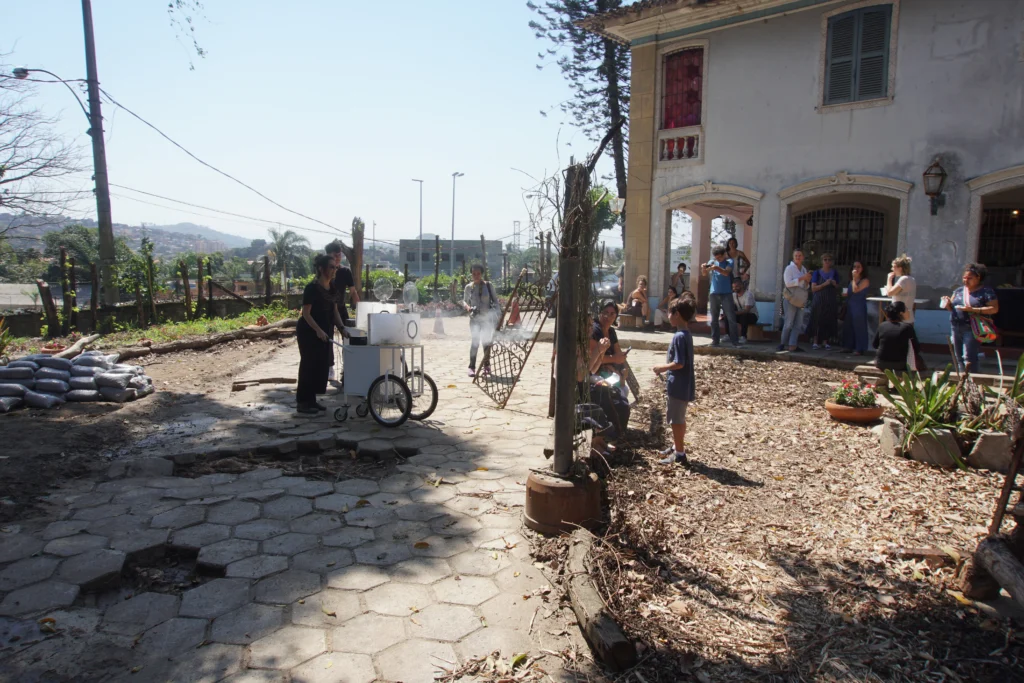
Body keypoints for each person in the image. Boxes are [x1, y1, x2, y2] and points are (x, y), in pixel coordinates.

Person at [296, 255, 348, 414]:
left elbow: (334, 311)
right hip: (309, 331)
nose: (334, 270)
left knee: (320, 364)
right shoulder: (311, 288)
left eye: (335, 267)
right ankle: (303, 403)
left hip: (325, 331)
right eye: (331, 267)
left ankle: (311, 401)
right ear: (321, 269)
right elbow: (306, 313)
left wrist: (341, 328)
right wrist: (317, 330)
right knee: (308, 365)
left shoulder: (332, 287)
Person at [654, 298, 696, 466]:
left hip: (678, 385)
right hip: (685, 384)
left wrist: (661, 367)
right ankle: (676, 445)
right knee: (680, 418)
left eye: (669, 313)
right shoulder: (686, 334)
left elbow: (679, 363)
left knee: (676, 420)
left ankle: (680, 453)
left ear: (677, 314)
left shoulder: (679, 337)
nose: (667, 316)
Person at [940, 262, 1000, 374]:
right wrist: (947, 303)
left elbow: (994, 309)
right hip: (956, 326)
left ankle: (972, 382)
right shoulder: (959, 291)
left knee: (969, 356)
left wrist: (972, 309)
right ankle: (962, 380)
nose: (965, 280)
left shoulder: (986, 292)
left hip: (972, 328)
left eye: (969, 278)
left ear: (978, 278)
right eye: (964, 278)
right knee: (958, 357)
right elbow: (952, 308)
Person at [588, 302, 632, 449]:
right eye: (605, 312)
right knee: (616, 397)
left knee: (621, 390)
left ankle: (616, 431)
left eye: (612, 314)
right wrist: (613, 360)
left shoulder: (611, 332)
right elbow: (593, 360)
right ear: (599, 313)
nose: (608, 316)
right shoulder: (595, 330)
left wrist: (619, 363)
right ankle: (614, 433)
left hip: (604, 371)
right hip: (596, 373)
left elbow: (618, 353)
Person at [324, 241, 360, 383]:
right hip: (327, 310)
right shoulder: (324, 271)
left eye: (339, 255)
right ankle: (329, 367)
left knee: (348, 337)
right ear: (328, 255)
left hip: (341, 309)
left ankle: (347, 367)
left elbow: (352, 291)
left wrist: (360, 308)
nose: (338, 258)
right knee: (328, 339)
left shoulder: (345, 271)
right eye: (335, 255)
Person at [463, 264, 500, 377]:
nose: (476, 276)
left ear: (482, 274)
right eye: (474, 274)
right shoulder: (468, 287)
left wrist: (499, 316)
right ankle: (471, 367)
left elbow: (496, 302)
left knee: (486, 343)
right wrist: (468, 308)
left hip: (486, 319)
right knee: (475, 343)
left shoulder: (488, 286)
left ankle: (487, 366)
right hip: (474, 319)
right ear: (471, 274)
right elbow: (464, 301)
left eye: (478, 273)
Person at [701, 245, 740, 347]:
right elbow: (704, 274)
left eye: (720, 257)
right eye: (716, 258)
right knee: (714, 318)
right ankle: (715, 340)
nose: (718, 259)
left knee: (731, 317)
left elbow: (726, 273)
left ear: (724, 255)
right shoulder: (712, 262)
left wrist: (716, 268)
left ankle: (735, 341)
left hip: (726, 293)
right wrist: (704, 268)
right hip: (714, 293)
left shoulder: (729, 262)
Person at [873, 301, 921, 373]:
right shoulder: (907, 327)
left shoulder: (882, 325)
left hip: (881, 363)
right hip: (899, 364)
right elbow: (916, 348)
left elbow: (875, 345)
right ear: (901, 313)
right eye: (907, 310)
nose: (909, 312)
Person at [779, 248, 812, 352]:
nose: (798, 257)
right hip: (791, 298)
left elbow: (806, 286)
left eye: (799, 255)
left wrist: (807, 281)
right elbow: (788, 283)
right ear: (793, 257)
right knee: (788, 323)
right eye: (796, 256)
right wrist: (802, 278)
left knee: (798, 323)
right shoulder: (789, 268)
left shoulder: (803, 269)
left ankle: (792, 345)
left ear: (802, 257)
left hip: (801, 299)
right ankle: (782, 343)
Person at [808, 253, 841, 350]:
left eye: (829, 260)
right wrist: (824, 284)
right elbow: (813, 288)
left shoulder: (834, 273)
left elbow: (838, 287)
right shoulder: (817, 273)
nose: (827, 262)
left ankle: (825, 341)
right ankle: (815, 341)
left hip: (830, 299)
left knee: (828, 319)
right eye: (825, 260)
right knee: (817, 320)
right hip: (819, 299)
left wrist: (835, 284)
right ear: (822, 261)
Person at [841, 261, 870, 356]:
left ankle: (859, 348)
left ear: (862, 269)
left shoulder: (865, 280)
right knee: (848, 326)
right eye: (854, 266)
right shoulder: (851, 281)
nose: (856, 269)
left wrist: (854, 278)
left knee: (859, 327)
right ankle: (848, 346)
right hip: (850, 305)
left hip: (859, 305)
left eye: (858, 267)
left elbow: (856, 290)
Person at [882, 254, 917, 323]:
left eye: (893, 267)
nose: (892, 269)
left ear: (900, 268)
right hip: (908, 316)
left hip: (900, 317)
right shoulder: (911, 279)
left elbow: (889, 293)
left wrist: (889, 279)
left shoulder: (903, 279)